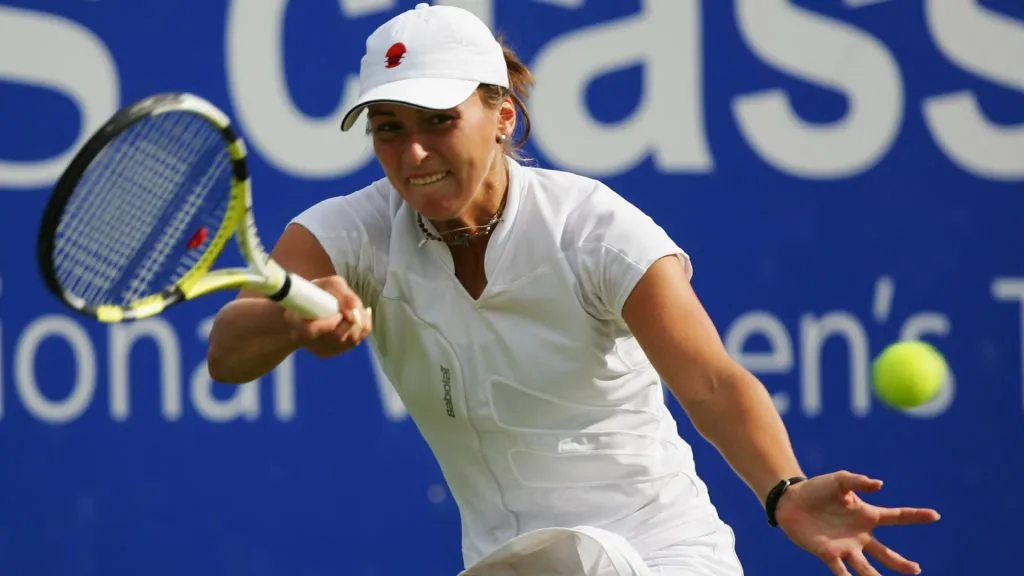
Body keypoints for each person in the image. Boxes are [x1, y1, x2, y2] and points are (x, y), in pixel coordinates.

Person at [208, 4, 939, 575]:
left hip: (660, 558)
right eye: (389, 128)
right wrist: (294, 323)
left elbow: (711, 381)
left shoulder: (595, 230)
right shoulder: (350, 231)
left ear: (502, 116)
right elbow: (228, 352)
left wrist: (782, 490)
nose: (414, 153)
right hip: (512, 564)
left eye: (439, 122)